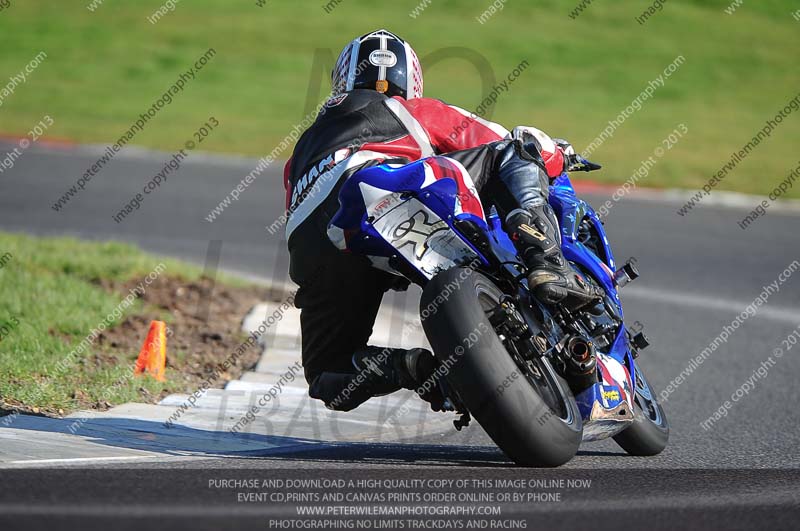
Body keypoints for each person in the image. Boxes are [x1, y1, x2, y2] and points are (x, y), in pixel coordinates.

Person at [284, 29, 600, 412]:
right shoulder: (410, 108)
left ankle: (410, 369)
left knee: (327, 373)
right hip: (383, 184)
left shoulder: (301, 150)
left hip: (311, 240)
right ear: (411, 80)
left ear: (342, 80)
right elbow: (500, 138)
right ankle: (545, 261)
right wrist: (556, 154)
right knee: (516, 151)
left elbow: (296, 205)